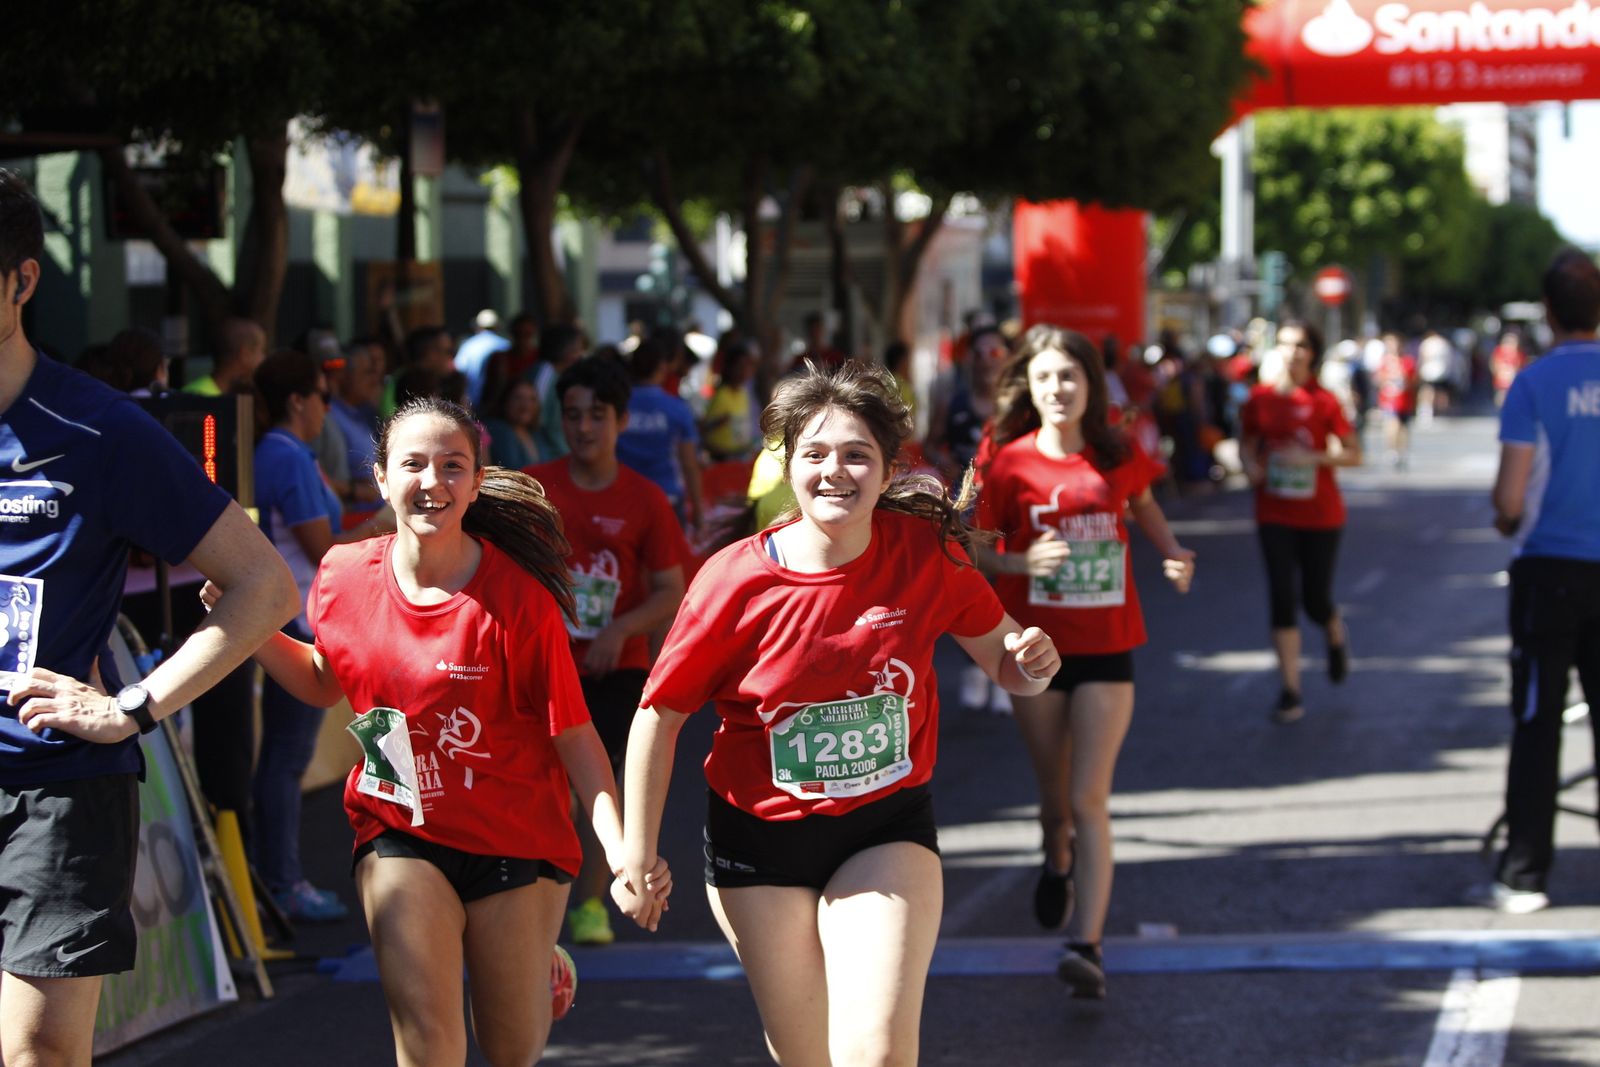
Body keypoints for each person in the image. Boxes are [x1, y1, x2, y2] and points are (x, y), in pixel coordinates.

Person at [617, 360, 1060, 1066]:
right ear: (787, 465)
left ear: (887, 472)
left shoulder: (926, 554)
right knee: (807, 1055)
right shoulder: (733, 579)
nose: (835, 471)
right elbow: (659, 714)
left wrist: (1032, 661)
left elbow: (1006, 658)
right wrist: (636, 851)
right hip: (758, 844)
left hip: (884, 827)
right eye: (815, 453)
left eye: (858, 454)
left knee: (876, 1051)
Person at [213, 396, 669, 1064]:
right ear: (381, 477)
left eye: (453, 466)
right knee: (428, 1042)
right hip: (398, 829)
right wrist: (252, 628)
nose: (433, 482)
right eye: (414, 464)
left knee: (511, 1047)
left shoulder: (516, 599)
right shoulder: (342, 577)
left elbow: (574, 735)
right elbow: (320, 678)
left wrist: (625, 851)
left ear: (477, 481)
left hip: (515, 837)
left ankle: (538, 965)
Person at [0, 167, 299, 1066]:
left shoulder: (98, 429)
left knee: (37, 1052)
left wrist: (132, 708)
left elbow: (264, 586)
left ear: (21, 280)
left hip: (53, 786)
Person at [972, 325, 1195, 998]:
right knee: (1053, 798)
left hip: (1106, 645)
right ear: (1028, 388)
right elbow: (974, 552)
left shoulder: (1115, 452)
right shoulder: (1007, 463)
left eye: (1069, 376)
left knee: (1087, 795)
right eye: (1044, 378)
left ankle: (1088, 944)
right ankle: (1054, 853)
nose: (1057, 388)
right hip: (1033, 650)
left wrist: (1172, 550)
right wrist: (1020, 560)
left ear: (1090, 385)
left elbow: (1144, 502)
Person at [527, 356, 687, 947]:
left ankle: (590, 904)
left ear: (620, 420)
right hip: (544, 666)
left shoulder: (644, 500)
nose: (585, 427)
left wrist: (619, 631)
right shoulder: (534, 488)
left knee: (601, 794)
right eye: (573, 415)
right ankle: (537, 904)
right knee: (549, 794)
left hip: (615, 672)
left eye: (598, 415)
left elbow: (673, 590)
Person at [1473, 249, 1600, 914]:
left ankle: (1525, 873)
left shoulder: (1533, 383)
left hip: (1549, 570)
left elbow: (1510, 497)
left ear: (1548, 313)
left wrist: (1504, 519)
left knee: (1536, 719)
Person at [251, 351, 390, 921]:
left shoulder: (285, 453)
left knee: (281, 759)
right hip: (294, 620)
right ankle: (281, 883)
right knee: (284, 759)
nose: (328, 408)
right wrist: (384, 525)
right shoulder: (284, 454)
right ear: (298, 401)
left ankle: (276, 880)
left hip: (289, 615)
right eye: (322, 396)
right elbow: (323, 550)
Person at [1239, 321, 1361, 725]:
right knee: (1281, 595)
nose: (1293, 353)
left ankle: (1333, 630)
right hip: (1273, 510)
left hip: (1320, 513)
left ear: (1314, 353)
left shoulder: (1325, 402)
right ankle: (1291, 690)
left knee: (1314, 600)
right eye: (1287, 345)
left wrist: (1313, 458)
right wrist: (1250, 466)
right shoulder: (1260, 399)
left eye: (1302, 346)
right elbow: (1247, 441)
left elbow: (1353, 454)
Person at [617, 334, 704, 531]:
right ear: (663, 367)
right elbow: (689, 463)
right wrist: (698, 509)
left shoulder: (616, 408)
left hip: (624, 500)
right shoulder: (677, 409)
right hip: (667, 499)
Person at [700, 338, 760, 462]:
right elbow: (704, 431)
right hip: (722, 461)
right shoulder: (721, 395)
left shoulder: (744, 393)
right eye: (740, 366)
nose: (744, 371)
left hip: (741, 459)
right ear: (730, 367)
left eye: (748, 366)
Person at [184, 317, 266, 397]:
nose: (264, 357)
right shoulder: (198, 397)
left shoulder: (234, 396)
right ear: (245, 354)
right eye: (261, 350)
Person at [1374, 332, 1418, 470]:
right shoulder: (1384, 362)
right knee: (1392, 425)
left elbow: (1413, 381)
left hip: (1405, 400)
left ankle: (1402, 451)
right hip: (1389, 400)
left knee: (1404, 428)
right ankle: (1392, 449)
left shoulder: (1408, 361)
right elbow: (1377, 379)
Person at [454, 309, 509, 410]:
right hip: (499, 404)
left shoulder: (468, 345)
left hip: (471, 402)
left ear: (477, 326)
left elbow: (459, 372)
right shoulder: (505, 345)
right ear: (498, 327)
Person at [482, 378, 542, 470]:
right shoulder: (498, 430)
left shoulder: (536, 434)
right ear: (505, 401)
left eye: (532, 399)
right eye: (518, 398)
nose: (526, 405)